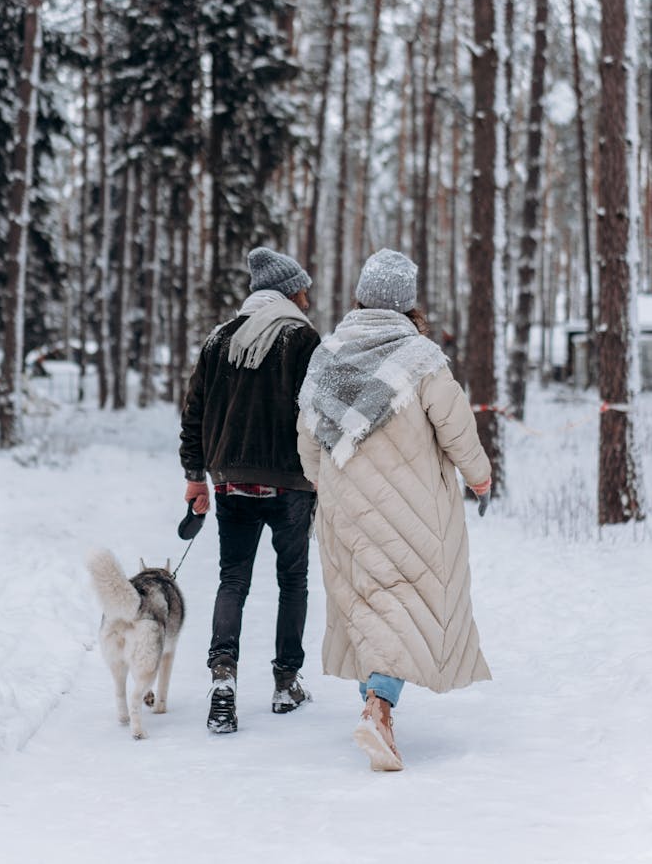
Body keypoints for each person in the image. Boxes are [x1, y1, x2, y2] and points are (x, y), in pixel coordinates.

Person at [297, 249, 491, 772]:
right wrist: (479, 475)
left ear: (360, 295)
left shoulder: (328, 356)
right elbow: (456, 428)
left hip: (342, 509)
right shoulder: (421, 358)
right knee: (400, 603)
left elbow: (308, 444)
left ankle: (375, 703)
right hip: (412, 510)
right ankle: (379, 707)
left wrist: (327, 481)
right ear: (409, 303)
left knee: (364, 602)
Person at [180, 246, 321, 733]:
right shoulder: (301, 338)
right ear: (289, 291)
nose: (308, 296)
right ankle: (286, 682)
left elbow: (194, 413)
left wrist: (196, 476)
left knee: (232, 580)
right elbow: (318, 413)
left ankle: (223, 676)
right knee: (293, 581)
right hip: (289, 483)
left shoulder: (219, 340)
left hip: (231, 480)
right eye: (304, 288)